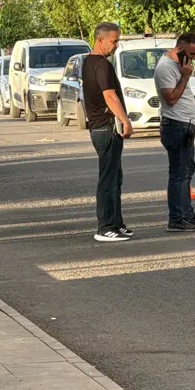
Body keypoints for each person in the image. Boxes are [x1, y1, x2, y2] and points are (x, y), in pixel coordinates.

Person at [83, 23, 134, 242]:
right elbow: (109, 96)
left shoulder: (89, 62)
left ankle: (116, 223)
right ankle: (105, 227)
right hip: (106, 127)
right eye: (113, 41)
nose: (116, 45)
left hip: (101, 127)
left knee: (115, 177)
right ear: (100, 40)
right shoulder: (101, 65)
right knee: (108, 178)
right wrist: (125, 120)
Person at [154, 33, 195, 232]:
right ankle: (176, 218)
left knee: (187, 171)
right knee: (178, 173)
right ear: (180, 48)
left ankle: (187, 214)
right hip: (175, 125)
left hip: (185, 124)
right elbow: (171, 99)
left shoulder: (179, 66)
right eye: (191, 54)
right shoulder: (165, 68)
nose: (194, 58)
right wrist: (185, 77)